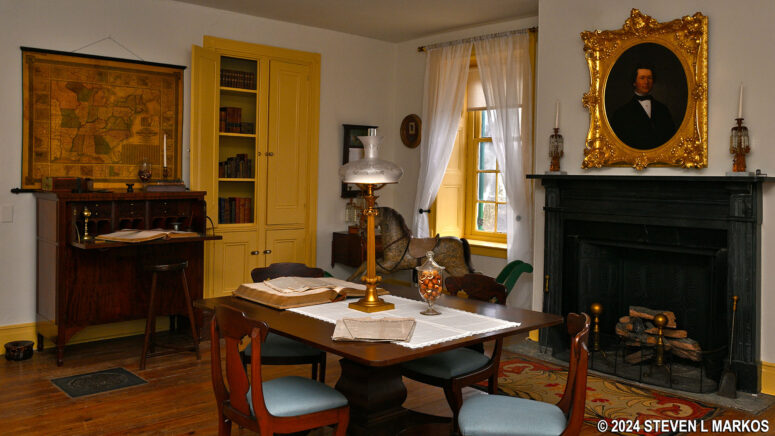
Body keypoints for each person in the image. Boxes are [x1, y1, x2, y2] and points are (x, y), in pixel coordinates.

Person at [609, 65, 676, 150]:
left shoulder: (663, 109)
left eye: (649, 78)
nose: (646, 82)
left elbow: (671, 136)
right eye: (642, 78)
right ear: (634, 82)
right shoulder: (621, 113)